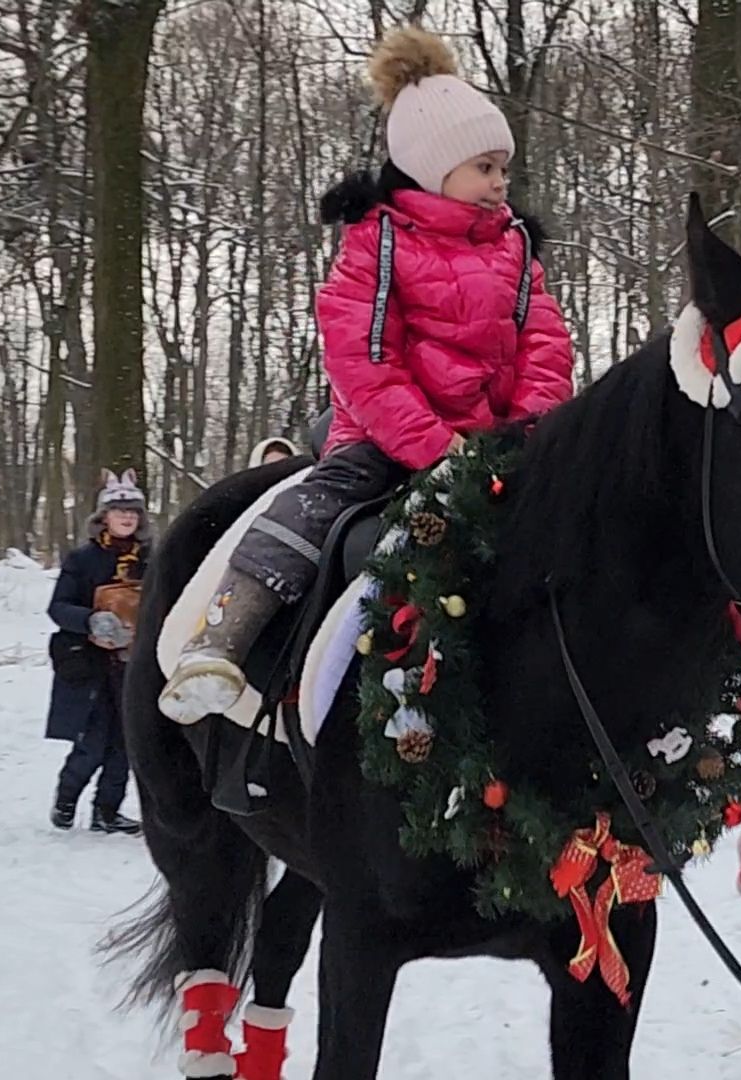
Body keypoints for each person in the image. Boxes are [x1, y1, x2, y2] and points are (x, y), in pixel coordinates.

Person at [158, 25, 574, 722]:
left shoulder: (514, 248)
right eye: (483, 166)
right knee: (315, 504)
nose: (500, 181)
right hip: (389, 439)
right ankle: (224, 634)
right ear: (431, 168)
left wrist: (526, 429)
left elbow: (547, 346)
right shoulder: (377, 245)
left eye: (503, 166)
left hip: (501, 443)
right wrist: (438, 447)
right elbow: (363, 360)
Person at [45, 470, 148, 835]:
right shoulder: (82, 559)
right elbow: (58, 607)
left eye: (133, 512)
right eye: (120, 511)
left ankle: (108, 810)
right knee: (92, 742)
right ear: (104, 516)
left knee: (126, 744)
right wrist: (91, 620)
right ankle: (66, 801)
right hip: (92, 666)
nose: (127, 517)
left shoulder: (151, 558)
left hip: (135, 666)